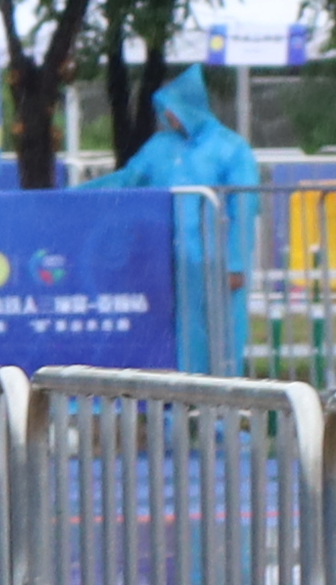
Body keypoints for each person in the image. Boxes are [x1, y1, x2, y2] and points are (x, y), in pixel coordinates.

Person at [99, 59, 255, 372]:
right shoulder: (160, 147)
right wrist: (74, 196)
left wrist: (236, 263)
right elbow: (127, 181)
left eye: (172, 109)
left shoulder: (231, 148)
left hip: (215, 261)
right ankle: (182, 398)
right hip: (167, 261)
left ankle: (223, 398)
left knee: (220, 335)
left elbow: (244, 207)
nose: (167, 116)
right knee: (176, 336)